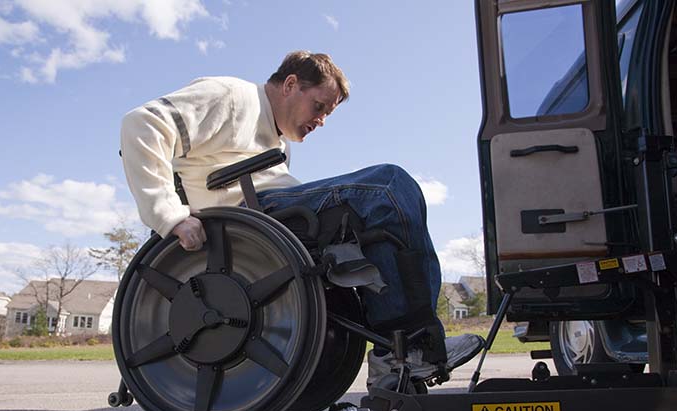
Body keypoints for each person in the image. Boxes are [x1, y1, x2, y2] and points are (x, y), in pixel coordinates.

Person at [120, 50, 483, 385]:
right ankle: (415, 347)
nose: (322, 121)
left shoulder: (278, 143)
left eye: (328, 113)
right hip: (247, 217)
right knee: (388, 187)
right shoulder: (232, 96)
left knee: (382, 219)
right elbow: (143, 123)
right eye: (319, 106)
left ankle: (401, 354)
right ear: (291, 84)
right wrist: (170, 216)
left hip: (270, 210)